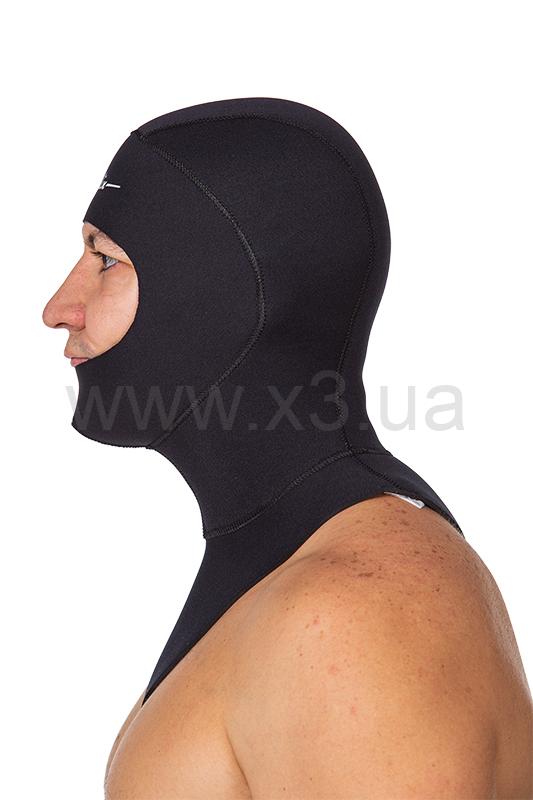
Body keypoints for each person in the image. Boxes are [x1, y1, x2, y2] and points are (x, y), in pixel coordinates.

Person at [42, 97, 533, 798]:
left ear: (227, 291)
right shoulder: (306, 571)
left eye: (105, 259)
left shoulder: (349, 616)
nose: (57, 308)